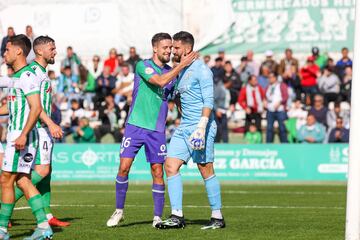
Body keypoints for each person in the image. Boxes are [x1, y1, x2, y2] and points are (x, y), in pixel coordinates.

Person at [106, 32, 197, 228]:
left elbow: (175, 95)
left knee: (157, 171)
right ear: (155, 48)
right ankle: (119, 210)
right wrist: (181, 66)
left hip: (156, 131)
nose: (169, 51)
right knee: (124, 167)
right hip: (135, 126)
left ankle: (157, 217)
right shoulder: (143, 65)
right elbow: (160, 81)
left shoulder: (172, 73)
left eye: (171, 48)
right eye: (165, 47)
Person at [156, 31, 225, 230]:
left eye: (175, 48)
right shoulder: (180, 70)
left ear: (186, 49)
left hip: (200, 126)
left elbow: (209, 100)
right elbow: (177, 94)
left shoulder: (202, 70)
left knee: (205, 168)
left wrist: (202, 127)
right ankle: (177, 216)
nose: (172, 51)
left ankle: (217, 217)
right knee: (170, 165)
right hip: (184, 126)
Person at [0, 34, 53, 239]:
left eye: (6, 50)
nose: (4, 53)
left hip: (21, 137)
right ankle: (43, 226)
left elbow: (36, 107)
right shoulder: (20, 76)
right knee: (22, 180)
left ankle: (2, 229)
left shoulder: (28, 75)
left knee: (7, 179)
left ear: (18, 51)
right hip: (20, 135)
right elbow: (11, 101)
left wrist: (23, 135)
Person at [15, 36, 70, 227]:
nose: (55, 51)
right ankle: (5, 203)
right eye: (52, 48)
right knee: (42, 170)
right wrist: (51, 123)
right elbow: (35, 106)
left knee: (47, 171)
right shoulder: (34, 73)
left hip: (43, 128)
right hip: (38, 129)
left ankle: (48, 216)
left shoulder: (43, 73)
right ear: (39, 51)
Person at [265, 72, 289, 143]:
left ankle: (284, 144)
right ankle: (269, 145)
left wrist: (280, 102)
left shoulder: (281, 85)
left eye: (271, 77)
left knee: (282, 128)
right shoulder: (268, 87)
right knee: (269, 128)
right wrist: (264, 102)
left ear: (275, 78)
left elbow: (285, 96)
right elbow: (265, 96)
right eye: (269, 77)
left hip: (280, 110)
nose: (270, 79)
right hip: (270, 110)